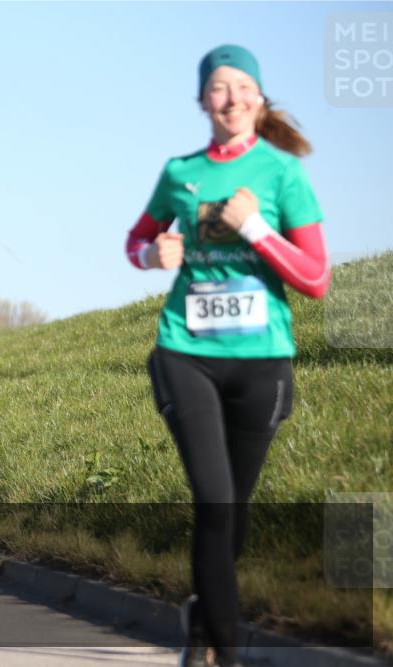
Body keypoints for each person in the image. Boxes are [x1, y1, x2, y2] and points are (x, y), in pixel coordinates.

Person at [126, 45, 330, 667]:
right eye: (218, 87)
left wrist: (256, 228)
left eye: (243, 86)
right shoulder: (180, 172)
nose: (232, 97)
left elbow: (316, 278)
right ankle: (226, 651)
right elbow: (136, 240)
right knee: (214, 500)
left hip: (261, 361)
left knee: (232, 513)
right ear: (202, 101)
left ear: (259, 99)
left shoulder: (283, 173)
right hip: (185, 351)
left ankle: (201, 621)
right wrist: (151, 255)